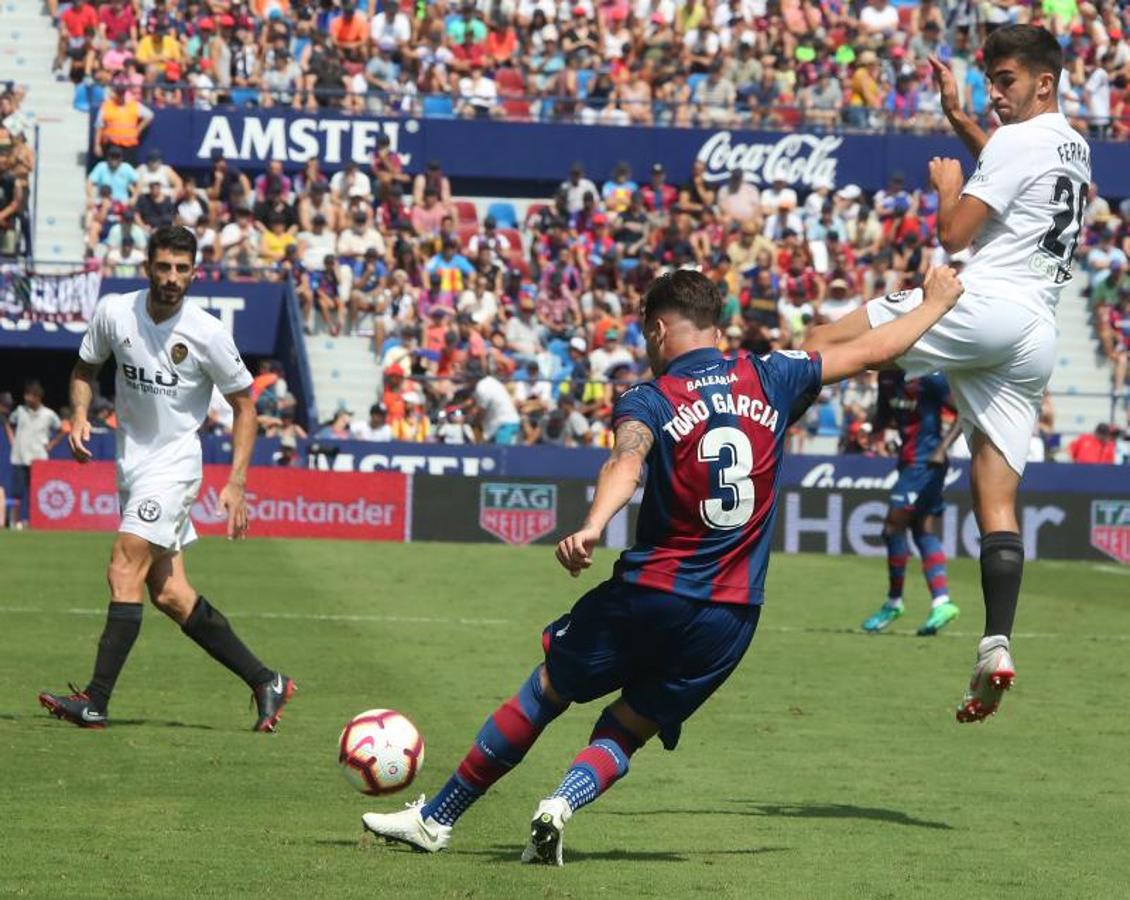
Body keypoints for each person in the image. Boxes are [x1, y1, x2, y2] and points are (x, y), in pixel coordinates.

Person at [359, 266, 964, 862]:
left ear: (656, 330)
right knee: (632, 724)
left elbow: (627, 461)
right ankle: (561, 804)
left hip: (652, 592)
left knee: (548, 689)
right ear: (718, 332)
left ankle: (437, 819)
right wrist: (934, 303)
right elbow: (869, 351)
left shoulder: (649, 397)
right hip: (732, 616)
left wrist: (594, 526)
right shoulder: (771, 373)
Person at [804, 25, 1091, 724]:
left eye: (1006, 81)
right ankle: (996, 643)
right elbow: (1014, 170)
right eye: (990, 80)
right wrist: (960, 116)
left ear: (1043, 82)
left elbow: (954, 235)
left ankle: (715, 468)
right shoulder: (1075, 144)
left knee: (821, 340)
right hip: (1034, 334)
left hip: (982, 304)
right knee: (994, 499)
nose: (995, 92)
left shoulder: (1020, 141)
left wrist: (948, 187)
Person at [37, 226, 295, 731]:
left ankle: (95, 700)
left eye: (182, 269)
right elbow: (83, 370)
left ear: (194, 272)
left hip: (174, 470)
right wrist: (80, 415)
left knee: (122, 564)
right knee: (171, 594)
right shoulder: (115, 311)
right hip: (131, 467)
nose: (172, 277)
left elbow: (245, 405)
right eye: (164, 267)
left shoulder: (207, 333)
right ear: (148, 267)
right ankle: (267, 681)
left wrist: (237, 481)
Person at [860, 372, 962, 636]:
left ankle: (894, 602)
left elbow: (964, 411)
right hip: (908, 462)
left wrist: (942, 449)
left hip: (928, 463)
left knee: (892, 528)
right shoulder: (886, 378)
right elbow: (883, 414)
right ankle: (942, 602)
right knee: (922, 530)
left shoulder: (928, 377)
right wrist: (870, 428)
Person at [3, 380, 63, 527]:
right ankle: (15, 522)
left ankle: (34, 521)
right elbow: (9, 423)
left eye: (30, 396)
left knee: (37, 491)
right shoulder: (20, 411)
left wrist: (51, 445)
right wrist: (12, 439)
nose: (27, 398)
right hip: (19, 456)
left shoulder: (49, 414)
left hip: (39, 458)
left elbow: (62, 429)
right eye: (26, 395)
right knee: (17, 492)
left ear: (38, 397)